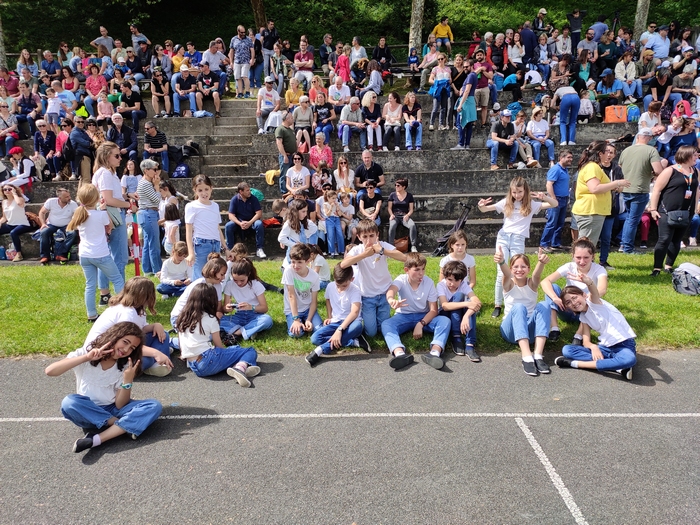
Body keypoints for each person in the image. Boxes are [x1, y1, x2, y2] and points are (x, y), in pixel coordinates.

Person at [45, 322, 161, 453]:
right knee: (69, 402)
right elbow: (50, 371)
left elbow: (119, 405)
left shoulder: (124, 365)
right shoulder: (86, 353)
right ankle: (122, 426)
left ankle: (96, 439)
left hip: (112, 408)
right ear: (115, 336)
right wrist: (86, 357)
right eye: (125, 342)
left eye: (132, 348)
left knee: (154, 406)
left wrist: (127, 381)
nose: (126, 349)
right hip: (87, 411)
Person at [477, 176, 557, 317]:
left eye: (520, 192)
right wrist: (481, 205)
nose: (517, 195)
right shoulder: (506, 202)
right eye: (514, 192)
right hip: (503, 238)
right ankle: (497, 305)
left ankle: (513, 301)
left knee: (515, 271)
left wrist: (544, 197)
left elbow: (554, 204)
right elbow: (484, 210)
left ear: (525, 190)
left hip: (518, 240)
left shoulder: (531, 204)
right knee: (501, 272)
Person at [556, 272, 636, 381]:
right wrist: (593, 347)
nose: (573, 303)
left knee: (629, 359)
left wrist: (589, 282)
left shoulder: (594, 303)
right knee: (567, 350)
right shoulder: (583, 317)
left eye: (574, 298)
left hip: (623, 345)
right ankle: (618, 368)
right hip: (605, 347)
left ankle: (574, 364)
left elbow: (594, 291)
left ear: (584, 295)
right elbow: (586, 342)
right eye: (568, 302)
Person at [177, 282, 259, 387]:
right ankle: (240, 368)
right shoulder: (210, 319)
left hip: (194, 366)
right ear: (211, 300)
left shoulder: (183, 317)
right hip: (208, 360)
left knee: (234, 350)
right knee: (250, 350)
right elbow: (219, 346)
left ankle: (242, 365)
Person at [381, 252, 451, 370]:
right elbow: (392, 289)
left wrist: (421, 323)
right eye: (417, 269)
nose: (421, 273)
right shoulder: (401, 279)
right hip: (404, 315)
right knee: (386, 324)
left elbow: (434, 310)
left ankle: (435, 353)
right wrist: (391, 299)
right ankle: (399, 353)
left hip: (424, 316)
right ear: (406, 270)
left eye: (423, 269)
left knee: (444, 321)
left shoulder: (428, 282)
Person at [66, 184, 124, 320]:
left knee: (90, 285)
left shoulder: (79, 214)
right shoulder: (101, 214)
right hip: (101, 254)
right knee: (117, 279)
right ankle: (124, 308)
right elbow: (110, 226)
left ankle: (91, 314)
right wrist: (103, 209)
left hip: (85, 254)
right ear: (97, 198)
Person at [340, 219, 406, 337]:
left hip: (385, 294)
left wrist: (382, 251)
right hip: (367, 296)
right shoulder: (358, 249)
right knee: (371, 333)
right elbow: (343, 264)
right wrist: (364, 255)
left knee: (383, 328)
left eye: (372, 236)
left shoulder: (383, 245)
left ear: (377, 235)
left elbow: (403, 258)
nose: (369, 240)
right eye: (365, 236)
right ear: (359, 237)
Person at [495, 248, 552, 376]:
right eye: (515, 267)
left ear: (528, 269)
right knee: (519, 307)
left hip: (530, 331)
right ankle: (526, 356)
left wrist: (541, 262)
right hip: (510, 331)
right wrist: (502, 261)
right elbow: (506, 274)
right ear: (511, 269)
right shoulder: (508, 284)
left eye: (523, 266)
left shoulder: (532, 283)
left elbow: (537, 275)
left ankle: (538, 355)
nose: (519, 269)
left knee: (544, 304)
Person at [649, 145, 698, 276]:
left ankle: (669, 266)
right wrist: (653, 209)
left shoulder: (695, 171)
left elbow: (696, 189)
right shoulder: (670, 171)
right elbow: (657, 190)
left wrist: (695, 207)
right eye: (694, 155)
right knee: (664, 239)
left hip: (686, 211)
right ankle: (657, 268)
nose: (697, 157)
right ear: (686, 155)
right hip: (666, 210)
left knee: (677, 240)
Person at [306, 263, 369, 366]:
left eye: (344, 285)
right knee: (315, 338)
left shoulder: (355, 290)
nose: (341, 288)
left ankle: (321, 349)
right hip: (336, 321)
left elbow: (354, 312)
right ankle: (352, 341)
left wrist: (339, 330)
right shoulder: (330, 286)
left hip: (351, 322)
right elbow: (328, 300)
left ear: (352, 279)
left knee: (357, 326)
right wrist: (329, 316)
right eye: (338, 285)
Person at [90, 142, 129, 305]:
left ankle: (105, 294)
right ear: (107, 157)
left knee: (105, 257)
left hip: (107, 215)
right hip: (113, 216)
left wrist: (126, 197)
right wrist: (128, 204)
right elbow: (109, 199)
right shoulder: (105, 173)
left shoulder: (103, 172)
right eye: (116, 155)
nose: (120, 158)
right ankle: (121, 296)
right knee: (119, 258)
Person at [571, 141, 631, 245]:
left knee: (587, 245)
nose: (608, 154)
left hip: (593, 210)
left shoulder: (592, 166)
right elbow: (594, 188)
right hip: (590, 211)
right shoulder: (592, 167)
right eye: (606, 151)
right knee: (586, 246)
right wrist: (617, 183)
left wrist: (613, 186)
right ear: (600, 154)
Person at [618, 129, 665, 254]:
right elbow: (658, 171)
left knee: (630, 218)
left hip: (626, 188)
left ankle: (623, 244)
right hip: (640, 189)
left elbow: (620, 168)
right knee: (632, 220)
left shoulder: (626, 150)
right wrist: (650, 174)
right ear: (649, 138)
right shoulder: (651, 150)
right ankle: (627, 248)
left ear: (638, 137)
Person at [219, 257, 273, 342]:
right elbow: (225, 308)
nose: (239, 283)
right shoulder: (229, 285)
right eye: (235, 280)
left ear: (248, 274)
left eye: (242, 280)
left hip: (255, 315)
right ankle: (249, 331)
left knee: (267, 320)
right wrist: (227, 308)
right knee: (218, 320)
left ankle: (236, 333)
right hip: (239, 316)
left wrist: (251, 307)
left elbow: (264, 308)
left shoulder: (256, 285)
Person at [185, 174, 227, 280]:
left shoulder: (215, 206)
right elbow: (188, 231)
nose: (204, 193)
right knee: (200, 277)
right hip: (201, 245)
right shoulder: (191, 206)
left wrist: (225, 248)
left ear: (211, 188)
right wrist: (191, 253)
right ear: (195, 190)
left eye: (206, 189)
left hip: (216, 245)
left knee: (214, 277)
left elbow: (218, 228)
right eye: (200, 190)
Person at [437, 260, 481, 360]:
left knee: (470, 308)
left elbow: (477, 302)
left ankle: (470, 344)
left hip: (459, 315)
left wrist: (466, 316)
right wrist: (467, 303)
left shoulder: (463, 285)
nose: (452, 283)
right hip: (446, 315)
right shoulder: (441, 285)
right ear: (445, 277)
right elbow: (445, 306)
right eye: (450, 279)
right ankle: (456, 336)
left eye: (456, 280)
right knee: (460, 296)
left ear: (461, 280)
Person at [169, 254, 227, 329]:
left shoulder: (218, 286)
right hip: (182, 317)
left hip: (202, 317)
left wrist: (219, 312)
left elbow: (218, 306)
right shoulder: (199, 285)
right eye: (222, 274)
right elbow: (194, 309)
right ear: (213, 272)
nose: (224, 277)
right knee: (206, 331)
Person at [281, 243, 322, 338]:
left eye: (299, 262)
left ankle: (305, 321)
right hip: (292, 310)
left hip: (308, 308)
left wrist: (309, 319)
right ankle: (298, 322)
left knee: (319, 329)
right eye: (293, 262)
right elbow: (291, 296)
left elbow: (314, 301)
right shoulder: (288, 271)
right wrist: (296, 319)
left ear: (307, 261)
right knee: (296, 333)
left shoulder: (314, 276)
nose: (295, 265)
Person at [540, 150, 574, 253]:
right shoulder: (555, 169)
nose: (571, 159)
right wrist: (553, 198)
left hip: (564, 199)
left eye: (571, 157)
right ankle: (544, 244)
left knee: (560, 223)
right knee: (552, 223)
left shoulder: (565, 169)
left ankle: (555, 243)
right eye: (568, 157)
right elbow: (549, 184)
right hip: (556, 199)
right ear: (561, 158)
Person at [37, 187, 78, 264]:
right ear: (59, 198)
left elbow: (77, 216)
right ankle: (45, 256)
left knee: (72, 233)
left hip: (66, 225)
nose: (69, 198)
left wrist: (73, 224)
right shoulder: (51, 202)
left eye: (69, 196)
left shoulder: (73, 204)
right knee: (43, 232)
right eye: (66, 197)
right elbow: (42, 212)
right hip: (52, 224)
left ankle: (61, 254)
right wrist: (43, 224)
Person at [136, 159, 162, 275]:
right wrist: (157, 186)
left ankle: (147, 270)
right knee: (154, 244)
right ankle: (158, 270)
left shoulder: (144, 182)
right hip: (149, 213)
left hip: (146, 213)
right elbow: (157, 200)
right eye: (154, 170)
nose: (156, 172)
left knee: (147, 243)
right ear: (146, 170)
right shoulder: (145, 184)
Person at [225, 181, 265, 258]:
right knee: (228, 226)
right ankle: (230, 250)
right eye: (247, 190)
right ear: (241, 192)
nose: (249, 192)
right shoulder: (234, 200)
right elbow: (231, 215)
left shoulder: (253, 199)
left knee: (259, 224)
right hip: (239, 222)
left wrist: (250, 222)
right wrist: (239, 223)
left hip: (252, 221)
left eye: (249, 190)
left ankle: (259, 249)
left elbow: (259, 213)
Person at [0, 185, 32, 262]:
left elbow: (19, 203)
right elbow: (4, 217)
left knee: (13, 232)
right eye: (5, 189)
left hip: (23, 224)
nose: (7, 191)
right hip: (10, 224)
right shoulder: (4, 202)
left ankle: (19, 254)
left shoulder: (20, 199)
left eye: (9, 189)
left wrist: (14, 193)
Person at [387, 177, 417, 251]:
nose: (396, 187)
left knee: (412, 225)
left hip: (404, 215)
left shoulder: (409, 196)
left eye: (398, 185)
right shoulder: (392, 195)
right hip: (395, 215)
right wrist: (391, 214)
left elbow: (411, 209)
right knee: (392, 226)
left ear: (404, 187)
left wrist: (407, 215)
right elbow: (389, 208)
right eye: (395, 185)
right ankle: (390, 245)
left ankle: (413, 245)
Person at [229, 25, 254, 98]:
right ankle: (240, 93)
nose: (243, 34)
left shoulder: (248, 39)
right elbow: (231, 51)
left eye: (244, 32)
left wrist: (252, 59)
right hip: (237, 61)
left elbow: (252, 50)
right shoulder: (233, 39)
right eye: (242, 32)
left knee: (244, 76)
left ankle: (247, 92)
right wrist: (231, 62)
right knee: (238, 77)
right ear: (238, 31)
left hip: (246, 61)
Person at [275, 110, 297, 194]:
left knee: (292, 175)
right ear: (287, 119)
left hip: (293, 156)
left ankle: (292, 191)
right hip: (286, 155)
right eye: (291, 118)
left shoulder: (291, 130)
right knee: (284, 175)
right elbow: (279, 143)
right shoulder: (280, 129)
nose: (293, 119)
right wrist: (284, 155)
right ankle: (284, 193)